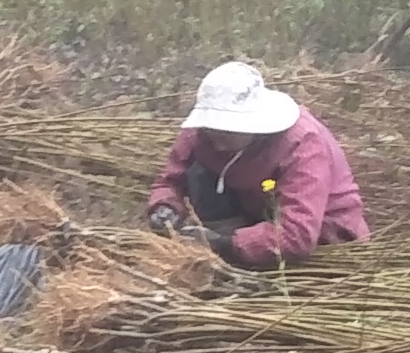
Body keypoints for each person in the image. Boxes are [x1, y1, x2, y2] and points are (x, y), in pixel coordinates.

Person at [147, 63, 368, 268]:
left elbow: (297, 234)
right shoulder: (201, 133)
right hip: (252, 209)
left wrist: (224, 244)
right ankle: (231, 255)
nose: (218, 142)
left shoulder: (301, 143)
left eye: (227, 133)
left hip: (322, 232)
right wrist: (164, 206)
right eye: (212, 131)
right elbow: (171, 180)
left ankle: (241, 257)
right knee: (199, 173)